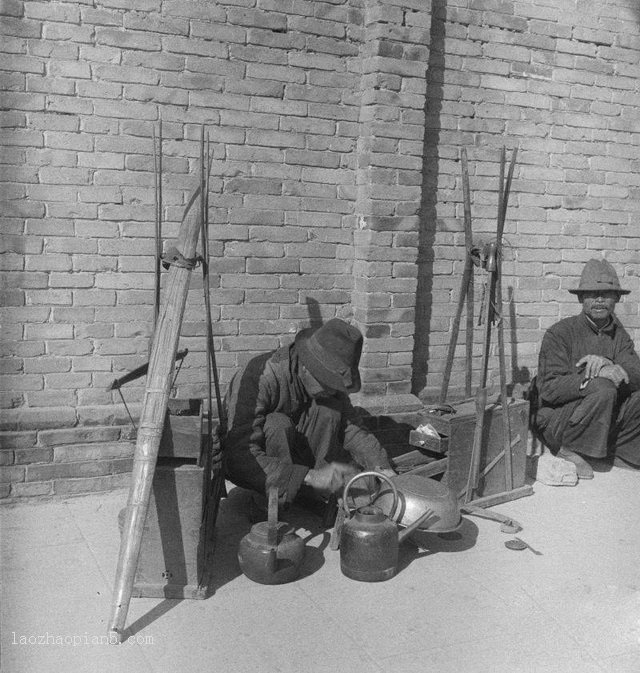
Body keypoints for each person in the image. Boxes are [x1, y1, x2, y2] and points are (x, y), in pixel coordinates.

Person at [223, 318, 395, 508]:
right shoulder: (259, 376)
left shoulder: (329, 388)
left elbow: (352, 430)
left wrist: (384, 469)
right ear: (306, 366)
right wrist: (311, 476)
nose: (332, 389)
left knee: (329, 409)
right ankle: (269, 502)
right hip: (255, 466)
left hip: (299, 458)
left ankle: (308, 494)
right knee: (277, 424)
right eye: (327, 382)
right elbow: (239, 454)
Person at [532, 258, 640, 478]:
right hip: (559, 419)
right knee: (603, 386)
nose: (599, 300)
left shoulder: (619, 335)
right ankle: (569, 450)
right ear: (581, 298)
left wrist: (611, 364)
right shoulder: (560, 333)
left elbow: (635, 371)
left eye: (607, 294)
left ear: (617, 299)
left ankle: (618, 452)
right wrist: (591, 375)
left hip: (600, 417)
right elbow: (549, 389)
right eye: (592, 294)